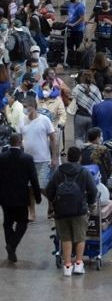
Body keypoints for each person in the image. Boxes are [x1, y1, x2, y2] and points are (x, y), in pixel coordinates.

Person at [46, 146, 97, 276]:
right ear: (80, 157)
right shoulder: (84, 172)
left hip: (61, 210)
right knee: (80, 236)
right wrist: (90, 202)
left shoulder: (58, 172)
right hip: (79, 210)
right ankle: (79, 264)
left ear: (67, 157)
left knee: (65, 237)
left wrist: (53, 202)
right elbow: (93, 190)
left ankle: (67, 266)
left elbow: (49, 189)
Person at [0, 133, 41, 263]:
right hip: (21, 197)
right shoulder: (27, 158)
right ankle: (12, 245)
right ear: (20, 142)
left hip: (4, 197)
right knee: (22, 223)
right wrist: (38, 196)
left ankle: (11, 249)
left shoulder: (1, 157)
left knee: (7, 223)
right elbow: (34, 179)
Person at [20, 96, 58, 221]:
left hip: (42, 159)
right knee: (29, 188)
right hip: (27, 161)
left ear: (34, 107)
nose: (25, 110)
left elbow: (53, 139)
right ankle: (32, 214)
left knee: (42, 187)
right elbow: (20, 140)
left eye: (27, 107)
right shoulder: (22, 120)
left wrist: (54, 157)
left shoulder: (44, 120)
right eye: (24, 107)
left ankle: (52, 202)